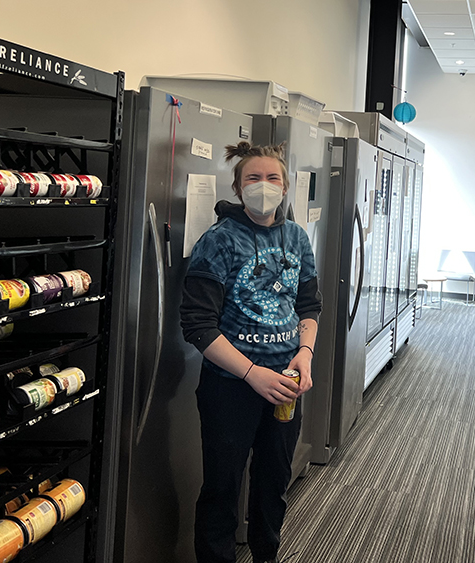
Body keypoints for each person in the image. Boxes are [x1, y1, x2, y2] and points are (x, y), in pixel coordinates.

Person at [180, 141, 322, 563]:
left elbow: (308, 303)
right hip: (231, 387)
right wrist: (250, 373)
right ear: (238, 189)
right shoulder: (219, 241)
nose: (264, 186)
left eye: (272, 178)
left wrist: (306, 352)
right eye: (253, 179)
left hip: (287, 383)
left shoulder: (296, 237)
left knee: (273, 484)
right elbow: (198, 326)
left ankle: (266, 557)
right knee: (222, 488)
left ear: (287, 185)